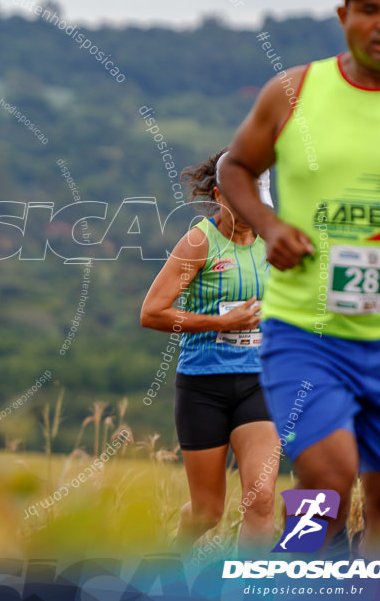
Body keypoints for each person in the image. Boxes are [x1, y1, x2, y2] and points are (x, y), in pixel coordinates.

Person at [220, 0, 380, 558]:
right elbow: (235, 167)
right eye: (368, 8)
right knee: (326, 480)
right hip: (310, 330)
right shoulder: (295, 90)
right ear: (343, 15)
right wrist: (271, 226)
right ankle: (297, 575)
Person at [141, 150, 279, 555]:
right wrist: (222, 323)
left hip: (260, 383)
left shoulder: (274, 242)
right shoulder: (199, 243)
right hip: (204, 386)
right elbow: (152, 313)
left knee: (262, 499)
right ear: (220, 195)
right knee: (207, 512)